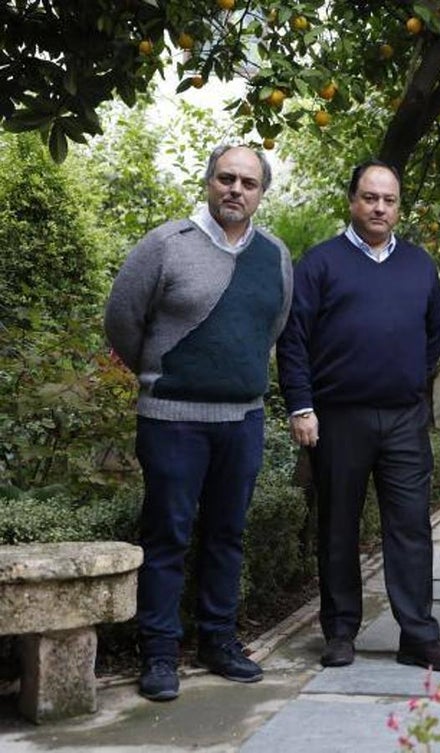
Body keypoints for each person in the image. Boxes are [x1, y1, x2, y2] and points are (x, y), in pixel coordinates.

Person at [104, 144, 293, 702]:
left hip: (243, 420)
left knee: (228, 534)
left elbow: (272, 326)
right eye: (227, 178)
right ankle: (160, 652)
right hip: (172, 420)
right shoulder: (165, 245)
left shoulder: (275, 254)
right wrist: (163, 372)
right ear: (209, 181)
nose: (237, 190)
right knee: (167, 536)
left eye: (249, 183)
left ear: (261, 193)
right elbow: (121, 320)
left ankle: (219, 641)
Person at [276, 160, 440, 673]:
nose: (380, 207)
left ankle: (418, 636)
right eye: (370, 197)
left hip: (404, 418)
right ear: (352, 200)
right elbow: (293, 341)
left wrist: (401, 379)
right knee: (338, 527)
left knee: (411, 529)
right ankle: (340, 633)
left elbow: (433, 335)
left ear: (398, 206)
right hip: (338, 418)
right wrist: (302, 404)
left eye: (389, 200)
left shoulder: (419, 265)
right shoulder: (319, 263)